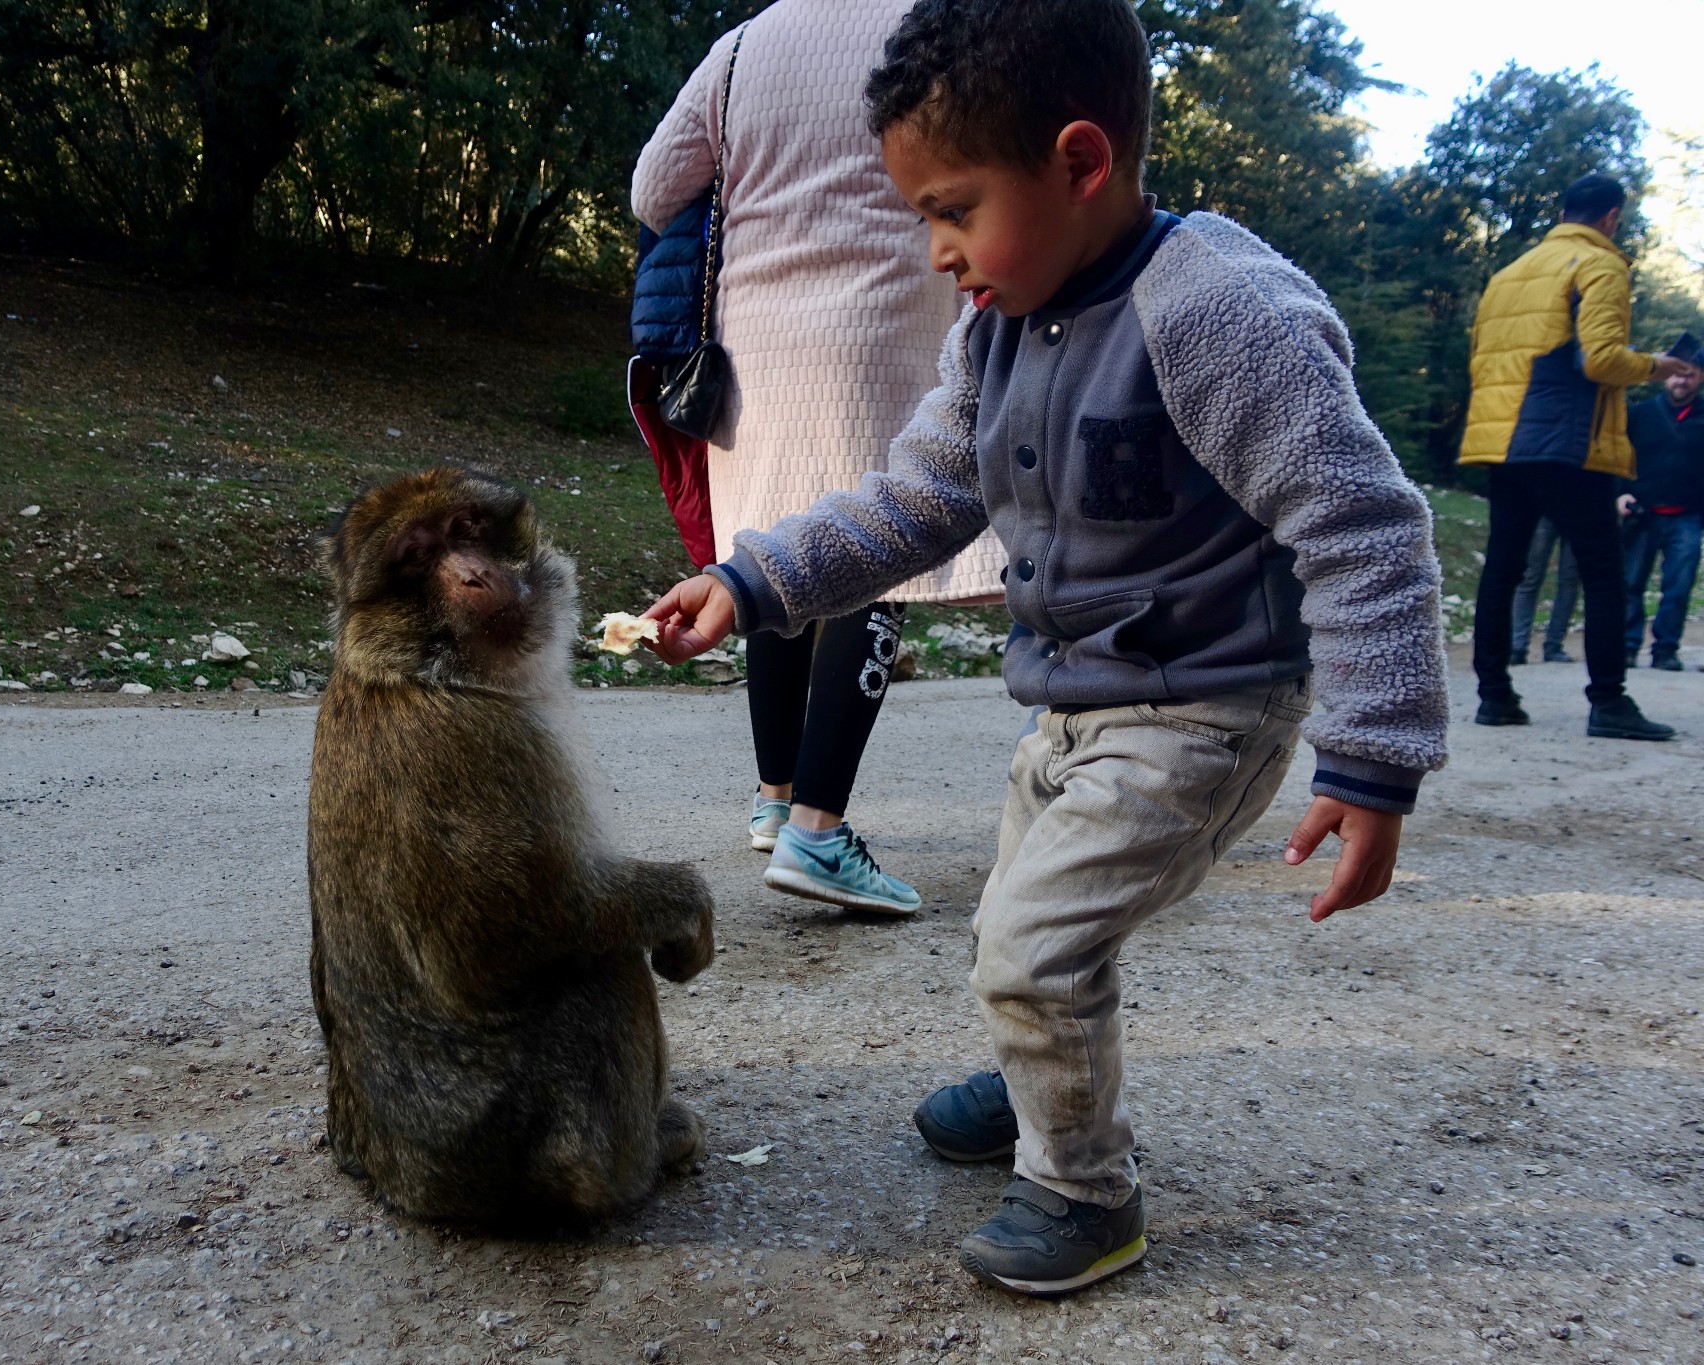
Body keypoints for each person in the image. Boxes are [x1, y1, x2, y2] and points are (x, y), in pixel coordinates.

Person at [646, 0, 1447, 1296]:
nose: (935, 250)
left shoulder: (1217, 314)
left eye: (953, 210)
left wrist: (1372, 758)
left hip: (1207, 708)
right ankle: (1044, 1078)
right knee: (1019, 934)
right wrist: (753, 579)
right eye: (919, 215)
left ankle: (1084, 1190)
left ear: (1081, 164)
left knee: (1033, 942)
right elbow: (914, 499)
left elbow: (1363, 525)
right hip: (1077, 704)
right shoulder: (997, 329)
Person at [631, 0, 1004, 916]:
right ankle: (820, 829)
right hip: (886, 322)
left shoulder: (741, 48)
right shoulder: (938, 29)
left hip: (753, 346)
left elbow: (652, 189)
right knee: (869, 556)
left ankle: (775, 797)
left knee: (774, 553)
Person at [1459, 172, 1695, 738]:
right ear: (1612, 217)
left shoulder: (1509, 274)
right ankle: (1609, 702)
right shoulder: (1601, 264)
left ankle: (1495, 696)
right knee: (1603, 571)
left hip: (1501, 439)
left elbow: (1486, 361)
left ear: (1565, 212)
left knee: (1504, 568)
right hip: (1566, 442)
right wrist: (1658, 366)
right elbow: (1601, 360)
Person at [1620, 366, 1704, 670]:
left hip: (1688, 517)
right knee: (1630, 583)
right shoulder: (1641, 414)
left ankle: (1666, 649)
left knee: (1679, 587)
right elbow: (1620, 456)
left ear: (1701, 377)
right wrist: (1620, 493)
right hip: (1642, 513)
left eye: (1690, 374)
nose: (1682, 380)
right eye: (1676, 374)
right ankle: (1627, 646)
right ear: (1665, 376)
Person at [1510, 520, 1580, 665]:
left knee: (1569, 580)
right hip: (1545, 509)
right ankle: (1518, 645)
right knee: (1530, 577)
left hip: (1576, 509)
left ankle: (1552, 645)